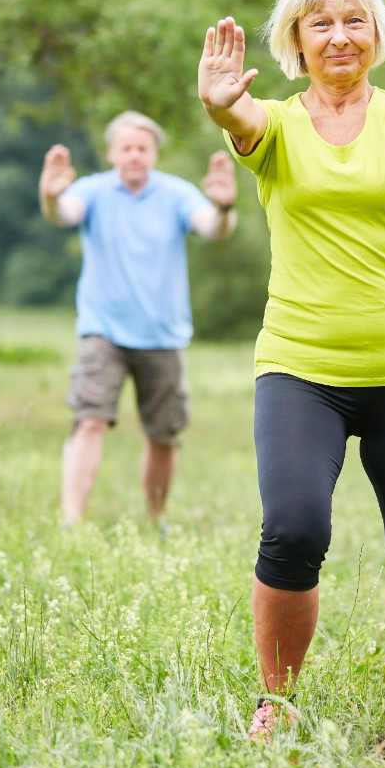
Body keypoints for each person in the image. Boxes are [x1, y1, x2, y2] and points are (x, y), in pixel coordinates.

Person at [196, 0, 385, 739]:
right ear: (296, 37)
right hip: (302, 366)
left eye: (354, 19)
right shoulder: (277, 125)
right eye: (320, 21)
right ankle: (278, 699)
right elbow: (244, 123)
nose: (338, 35)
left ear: (377, 34)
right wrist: (224, 109)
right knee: (293, 527)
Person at [38, 111, 238, 531]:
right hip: (103, 330)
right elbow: (63, 215)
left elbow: (215, 230)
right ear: (112, 152)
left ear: (153, 154)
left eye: (142, 148)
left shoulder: (175, 194)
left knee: (164, 435)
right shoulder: (92, 191)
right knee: (90, 419)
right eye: (126, 148)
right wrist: (52, 196)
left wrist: (223, 206)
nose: (134, 155)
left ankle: (155, 519)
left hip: (162, 335)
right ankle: (71, 520)